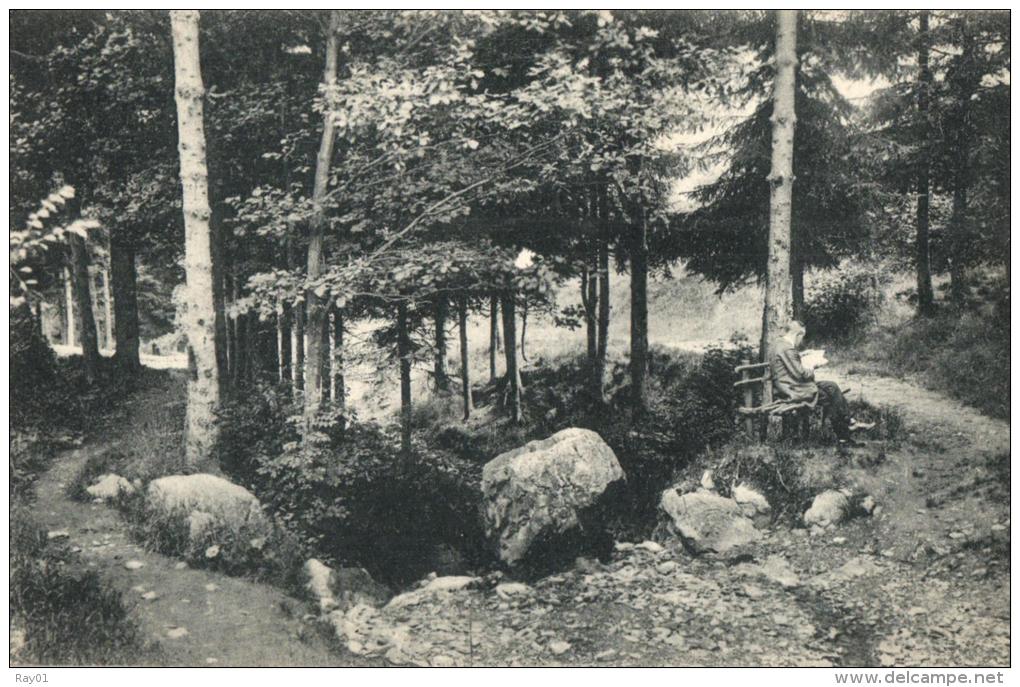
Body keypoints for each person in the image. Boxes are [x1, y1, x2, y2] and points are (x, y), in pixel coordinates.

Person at [770, 320, 873, 448]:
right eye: (801, 337)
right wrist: (813, 365)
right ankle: (845, 433)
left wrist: (801, 355)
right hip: (791, 389)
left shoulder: (779, 344)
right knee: (832, 395)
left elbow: (789, 363)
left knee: (831, 386)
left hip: (790, 384)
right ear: (798, 334)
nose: (801, 341)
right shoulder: (787, 348)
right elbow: (801, 374)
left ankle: (849, 425)